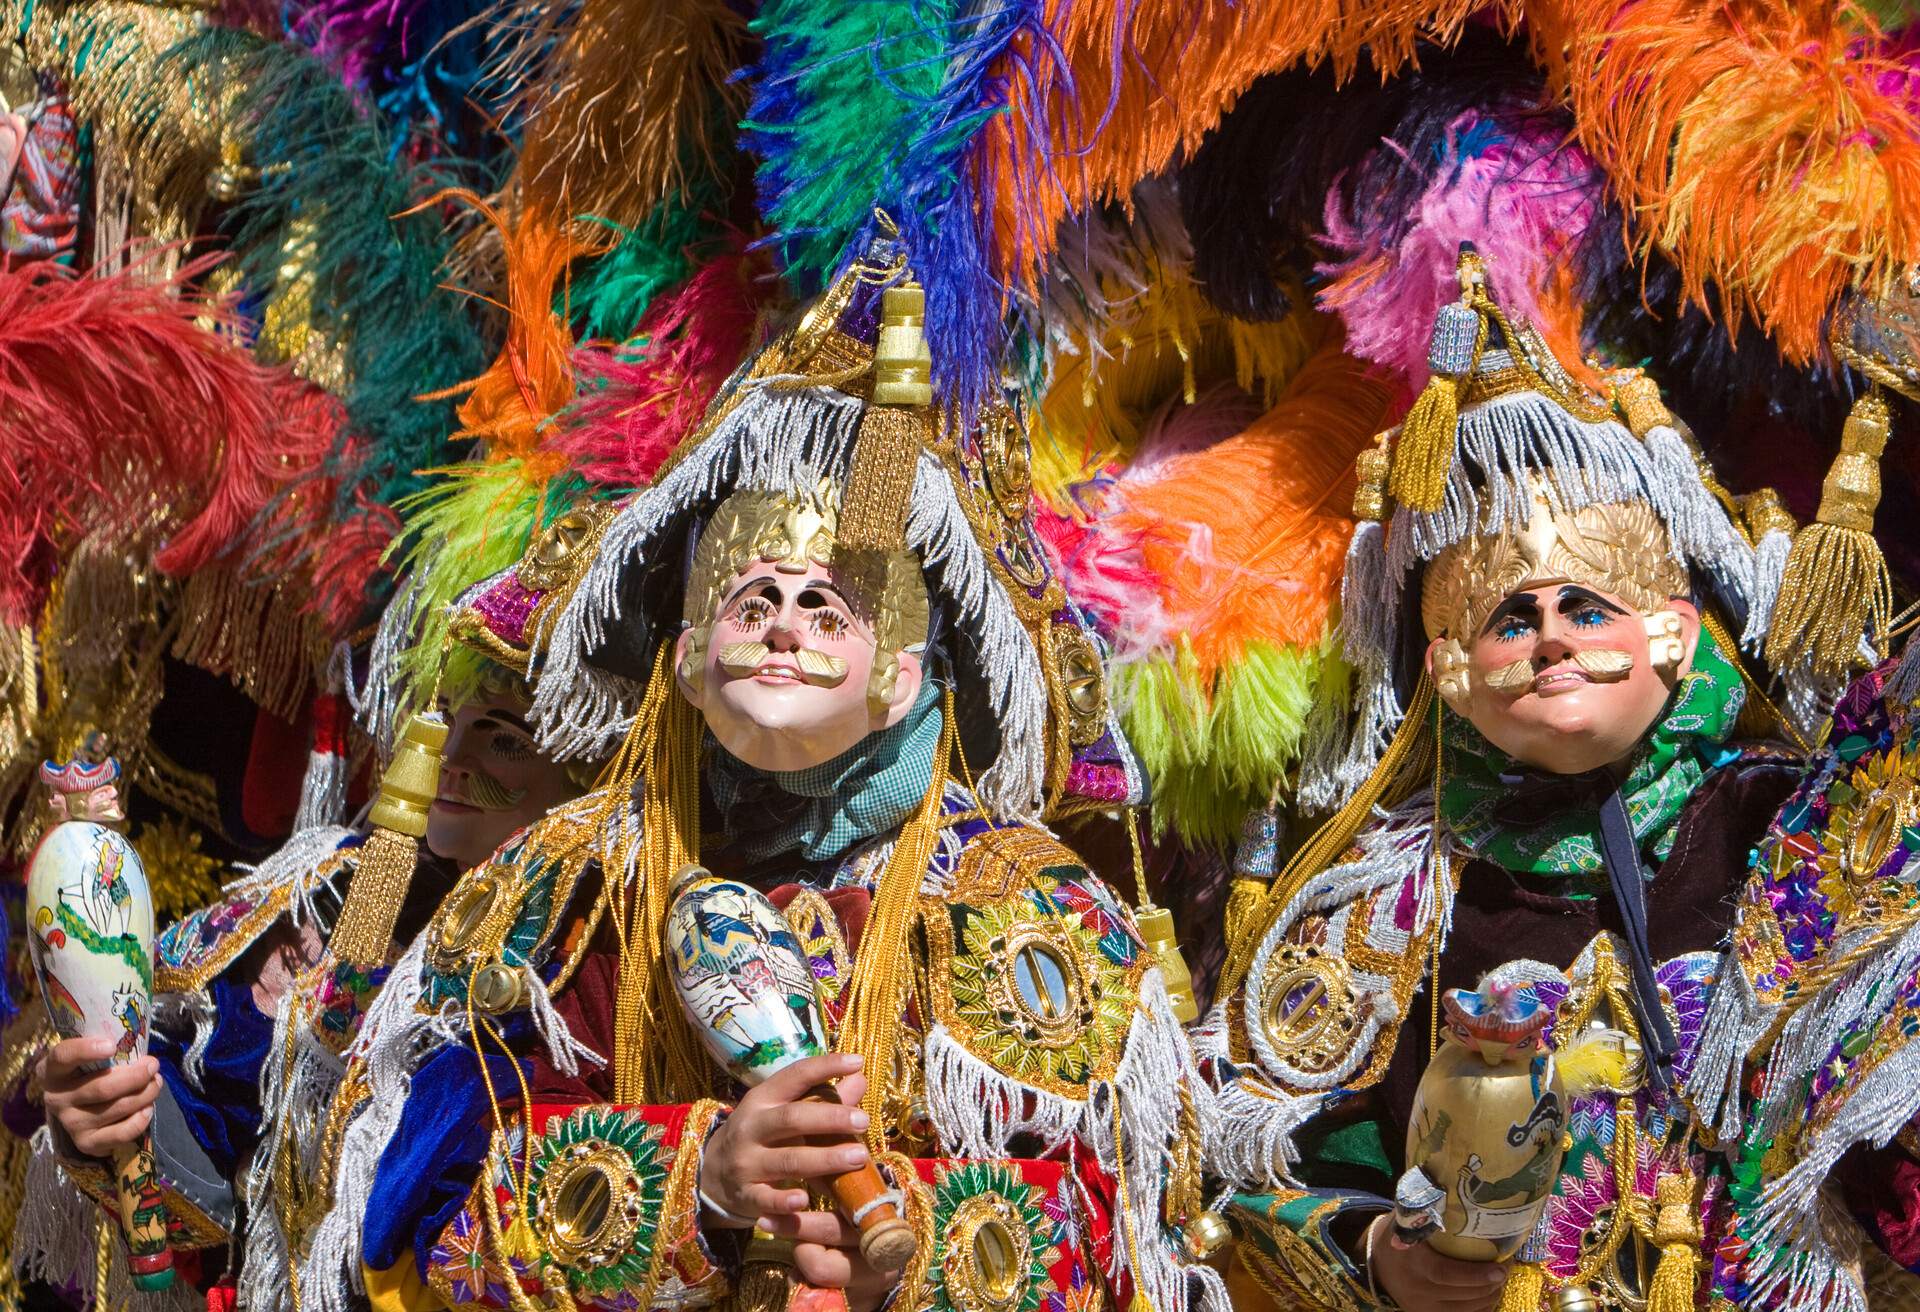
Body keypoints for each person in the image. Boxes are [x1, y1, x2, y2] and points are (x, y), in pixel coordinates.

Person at [294, 246, 1221, 1312]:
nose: (785, 623)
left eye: (829, 609)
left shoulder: (1030, 904)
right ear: (687, 661)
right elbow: (417, 1211)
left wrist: (919, 1246)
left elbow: (1135, 1227)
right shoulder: (573, 889)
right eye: (751, 600)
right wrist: (697, 1185)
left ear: (903, 677)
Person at [1195, 247, 1920, 1311]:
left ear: (1673, 635)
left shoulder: (1795, 826)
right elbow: (1254, 1179)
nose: (1548, 640)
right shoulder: (1390, 903)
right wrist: (1389, 1260)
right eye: (1507, 618)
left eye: (1586, 608)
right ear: (1449, 675)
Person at [17, 513, 597, 1304]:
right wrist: (105, 1123)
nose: (451, 761)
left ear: (591, 757)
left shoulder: (603, 957)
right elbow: (222, 1177)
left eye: (502, 739)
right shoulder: (325, 894)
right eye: (445, 723)